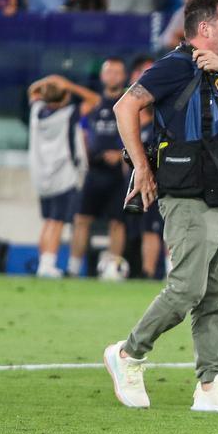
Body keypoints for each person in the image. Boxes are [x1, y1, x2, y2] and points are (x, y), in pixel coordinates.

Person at [105, 0, 218, 413]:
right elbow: (125, 106)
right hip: (186, 194)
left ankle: (210, 386)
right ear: (205, 29)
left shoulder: (217, 70)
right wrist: (143, 168)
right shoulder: (176, 65)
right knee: (186, 289)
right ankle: (128, 354)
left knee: (217, 293)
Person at [27, 73, 94, 278]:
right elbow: (95, 100)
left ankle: (43, 263)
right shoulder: (69, 114)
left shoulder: (37, 111)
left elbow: (32, 92)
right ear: (65, 96)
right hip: (63, 176)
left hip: (41, 177)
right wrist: (69, 84)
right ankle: (48, 263)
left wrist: (45, 82)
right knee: (57, 221)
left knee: (48, 221)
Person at [69, 58, 128, 280]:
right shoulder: (92, 104)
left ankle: (113, 270)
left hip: (118, 173)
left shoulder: (129, 103)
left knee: (117, 223)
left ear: (123, 76)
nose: (112, 76)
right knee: (82, 219)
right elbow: (82, 133)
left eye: (117, 72)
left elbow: (139, 133)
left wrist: (121, 155)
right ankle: (74, 268)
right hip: (94, 171)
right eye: (108, 72)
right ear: (102, 76)